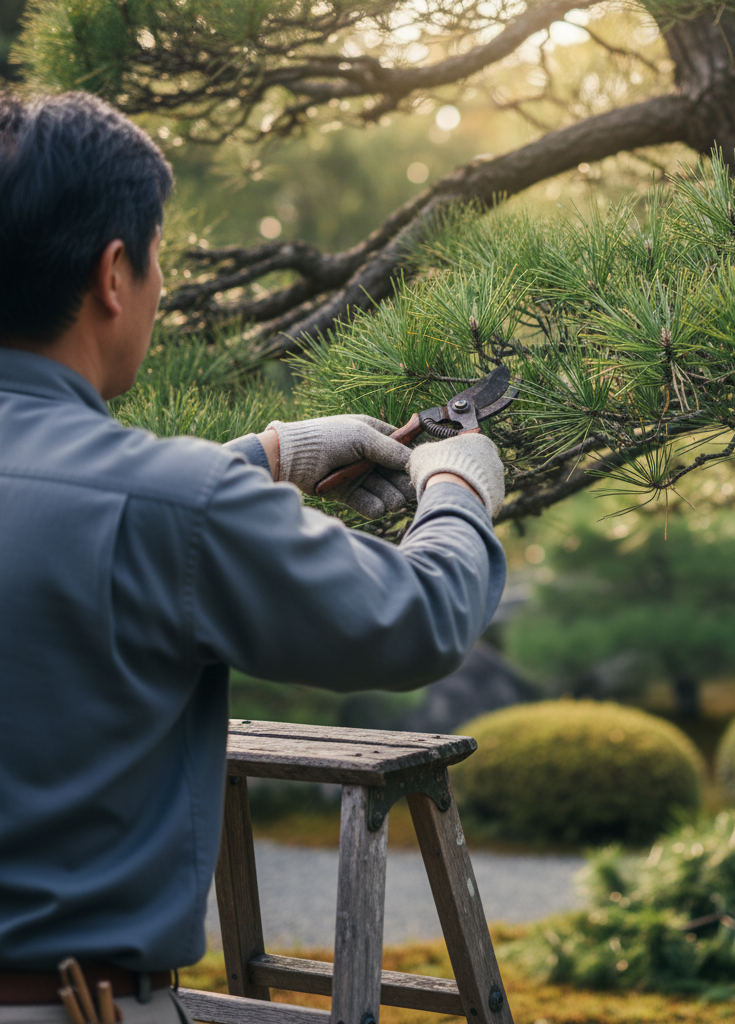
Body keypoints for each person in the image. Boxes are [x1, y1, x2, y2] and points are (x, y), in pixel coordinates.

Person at [0, 91, 507, 1024]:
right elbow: (415, 618)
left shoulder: (160, 503)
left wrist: (264, 458)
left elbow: (71, 516)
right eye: (159, 260)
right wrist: (461, 491)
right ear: (115, 274)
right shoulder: (170, 507)